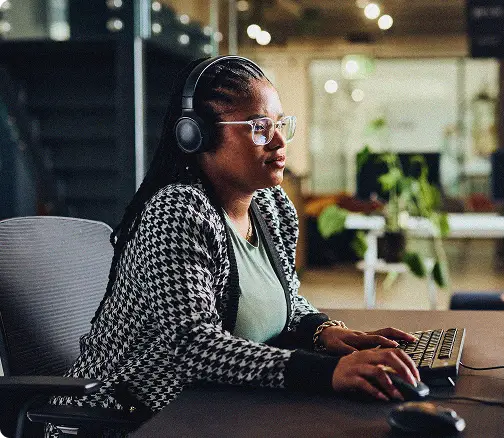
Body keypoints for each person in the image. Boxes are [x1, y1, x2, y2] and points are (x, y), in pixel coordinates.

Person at [49, 56, 420, 434]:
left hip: (218, 406)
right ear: (198, 134)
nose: (278, 141)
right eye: (259, 128)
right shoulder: (178, 211)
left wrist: (324, 332)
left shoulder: (272, 207)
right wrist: (325, 372)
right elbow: (194, 348)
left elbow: (286, 300)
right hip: (127, 417)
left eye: (280, 125)